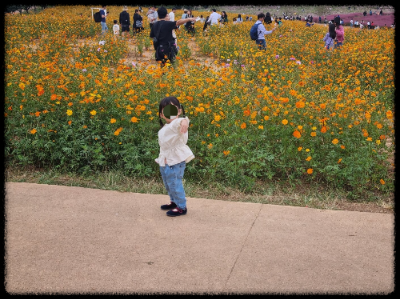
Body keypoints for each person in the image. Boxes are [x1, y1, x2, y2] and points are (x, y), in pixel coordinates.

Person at [156, 97, 194, 217]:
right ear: (162, 115)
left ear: (179, 111)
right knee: (169, 184)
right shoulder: (167, 127)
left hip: (175, 162)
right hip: (166, 162)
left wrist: (184, 121)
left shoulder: (176, 125)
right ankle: (174, 202)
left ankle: (181, 207)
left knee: (175, 184)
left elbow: (180, 122)